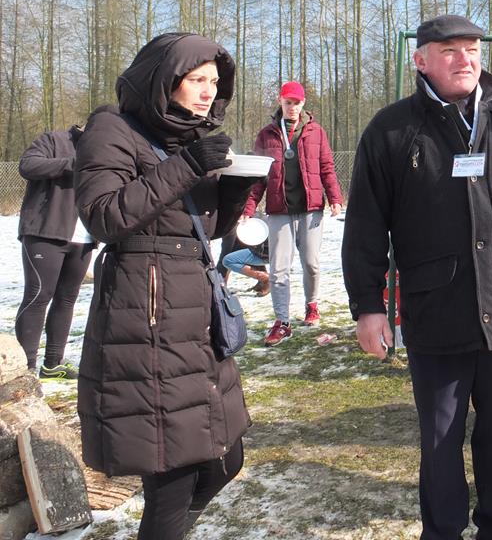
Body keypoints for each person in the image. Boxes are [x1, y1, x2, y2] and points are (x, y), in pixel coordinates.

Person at [342, 14, 492, 540]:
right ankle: (442, 531)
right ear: (421, 60)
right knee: (441, 439)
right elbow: (365, 226)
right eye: (449, 50)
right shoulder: (392, 129)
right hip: (437, 311)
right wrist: (368, 306)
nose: (464, 59)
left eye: (471, 48)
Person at [73, 33, 254, 539]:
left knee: (224, 460)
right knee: (171, 475)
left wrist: (234, 192)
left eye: (214, 82)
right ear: (163, 81)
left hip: (195, 315)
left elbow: (197, 229)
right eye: (196, 80)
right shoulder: (112, 129)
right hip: (144, 317)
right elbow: (104, 216)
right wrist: (189, 166)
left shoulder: (187, 137)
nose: (208, 92)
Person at [244, 81, 344, 345]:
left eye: (296, 103)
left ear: (303, 103)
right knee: (279, 269)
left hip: (311, 209)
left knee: (311, 263)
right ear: (281, 101)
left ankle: (312, 304)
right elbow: (259, 177)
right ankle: (282, 322)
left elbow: (326, 167)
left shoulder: (316, 132)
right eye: (288, 102)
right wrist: (249, 207)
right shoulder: (266, 135)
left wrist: (335, 198)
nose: (292, 107)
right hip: (279, 210)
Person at [14, 126, 96, 380]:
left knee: (67, 299)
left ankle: (52, 364)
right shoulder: (55, 140)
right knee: (38, 296)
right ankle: (25, 369)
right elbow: (28, 165)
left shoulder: (106, 148)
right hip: (45, 231)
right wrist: (73, 164)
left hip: (84, 237)